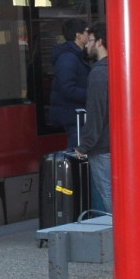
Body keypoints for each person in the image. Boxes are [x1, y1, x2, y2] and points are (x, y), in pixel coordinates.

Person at [75, 22, 111, 214]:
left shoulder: (98, 73)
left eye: (89, 41)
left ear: (99, 42)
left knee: (108, 195)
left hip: (103, 147)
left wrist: (84, 146)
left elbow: (96, 112)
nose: (86, 45)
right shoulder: (120, 68)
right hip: (117, 145)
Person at [48, 18, 91, 148]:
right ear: (78, 35)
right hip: (73, 115)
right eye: (87, 32)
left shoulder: (74, 55)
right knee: (77, 151)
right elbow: (67, 89)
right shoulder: (68, 57)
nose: (89, 35)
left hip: (74, 114)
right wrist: (91, 94)